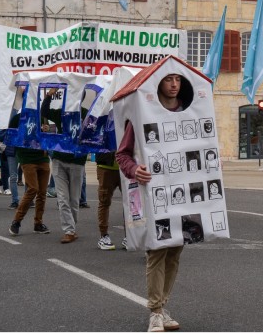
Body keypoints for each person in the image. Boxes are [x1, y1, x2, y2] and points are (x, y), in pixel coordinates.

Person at [116, 73, 186, 332]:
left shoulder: (189, 113)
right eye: (169, 79)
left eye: (178, 79)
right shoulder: (142, 115)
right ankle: (155, 311)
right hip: (154, 194)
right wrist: (135, 170)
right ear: (160, 85)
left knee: (176, 250)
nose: (174, 84)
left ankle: (163, 305)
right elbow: (122, 154)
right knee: (157, 249)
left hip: (183, 194)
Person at [40, 88, 88, 244]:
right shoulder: (62, 113)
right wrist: (49, 95)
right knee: (62, 198)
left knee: (74, 199)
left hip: (77, 161)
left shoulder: (87, 114)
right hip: (59, 160)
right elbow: (45, 111)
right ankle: (69, 230)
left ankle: (72, 228)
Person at [8, 96, 51, 236]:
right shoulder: (17, 118)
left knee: (42, 192)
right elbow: (10, 136)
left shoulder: (41, 117)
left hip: (42, 157)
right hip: (27, 158)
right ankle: (16, 221)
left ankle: (38, 223)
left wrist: (45, 130)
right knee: (33, 188)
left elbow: (48, 136)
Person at [96, 151, 122, 250]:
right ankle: (104, 236)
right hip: (105, 166)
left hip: (126, 166)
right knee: (104, 201)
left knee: (131, 203)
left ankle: (129, 235)